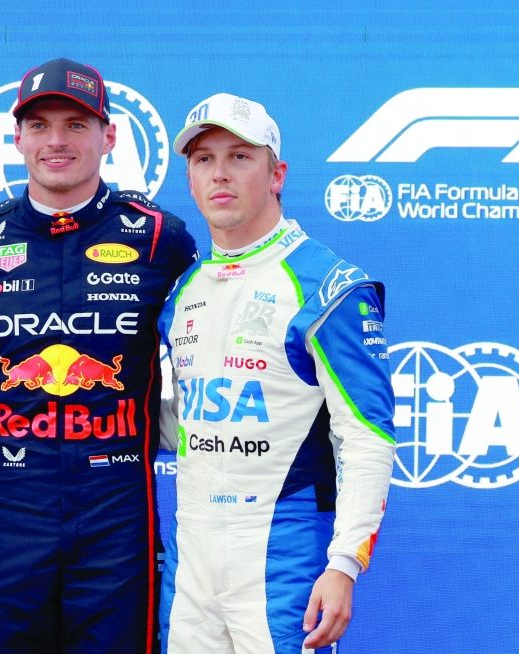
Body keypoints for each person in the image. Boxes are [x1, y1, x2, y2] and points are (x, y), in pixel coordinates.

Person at [0, 58, 198, 653]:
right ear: (18, 138)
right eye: (40, 125)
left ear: (108, 136)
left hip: (119, 515)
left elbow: (209, 355)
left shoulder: (161, 237)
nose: (56, 141)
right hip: (8, 514)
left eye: (76, 124)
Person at [156, 93, 397, 654]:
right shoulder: (183, 290)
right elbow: (188, 422)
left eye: (240, 157)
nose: (220, 174)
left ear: (276, 173)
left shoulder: (329, 287)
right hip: (189, 554)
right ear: (189, 178)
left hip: (283, 551)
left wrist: (344, 563)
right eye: (203, 159)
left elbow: (367, 437)